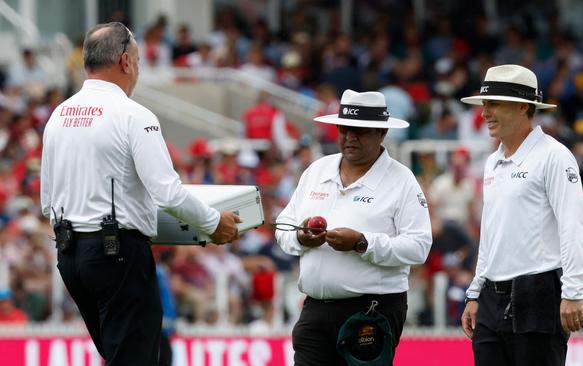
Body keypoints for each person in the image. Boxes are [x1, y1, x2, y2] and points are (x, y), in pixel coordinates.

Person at [40, 22, 240, 365]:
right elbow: (168, 193)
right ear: (125, 62)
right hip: (116, 253)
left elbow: (47, 200)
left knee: (119, 355)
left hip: (70, 253)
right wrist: (212, 222)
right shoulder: (133, 114)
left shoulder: (59, 115)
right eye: (138, 59)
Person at [275, 89, 432, 366]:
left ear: (381, 133)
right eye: (344, 129)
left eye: (360, 131)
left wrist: (363, 243)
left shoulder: (402, 180)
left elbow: (419, 247)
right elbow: (283, 228)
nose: (349, 137)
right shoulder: (317, 171)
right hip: (315, 307)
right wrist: (302, 238)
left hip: (371, 309)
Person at [459, 64, 583, 366]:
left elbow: (573, 225)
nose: (485, 113)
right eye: (484, 104)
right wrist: (476, 291)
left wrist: (572, 291)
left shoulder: (555, 156)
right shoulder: (492, 162)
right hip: (490, 298)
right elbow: (491, 232)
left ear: (521, 107)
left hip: (539, 295)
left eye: (494, 104)